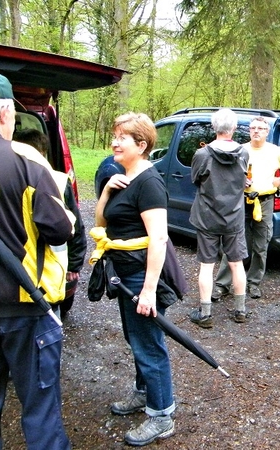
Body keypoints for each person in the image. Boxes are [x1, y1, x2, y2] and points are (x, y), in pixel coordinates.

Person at [0, 73, 73, 449]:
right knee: (39, 409)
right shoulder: (27, 163)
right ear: (5, 113)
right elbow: (58, 230)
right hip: (23, 304)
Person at [95, 112, 182, 446]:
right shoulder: (122, 175)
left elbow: (159, 238)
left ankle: (161, 415)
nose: (114, 142)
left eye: (122, 137)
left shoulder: (148, 181)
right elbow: (102, 222)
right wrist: (105, 193)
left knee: (148, 343)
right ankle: (144, 392)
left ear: (141, 145)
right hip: (124, 273)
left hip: (142, 276)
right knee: (136, 339)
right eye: (114, 135)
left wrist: (148, 291)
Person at [212, 116, 280, 301]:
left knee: (261, 245)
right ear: (249, 131)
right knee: (234, 244)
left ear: (267, 132)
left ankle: (253, 283)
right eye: (253, 128)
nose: (256, 131)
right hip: (241, 201)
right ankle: (222, 285)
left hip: (264, 202)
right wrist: (239, 179)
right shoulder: (240, 149)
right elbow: (225, 172)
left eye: (261, 128)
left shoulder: (274, 151)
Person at [13, 128, 87, 318]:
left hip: (25, 272)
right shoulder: (61, 180)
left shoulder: (7, 177)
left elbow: (76, 228)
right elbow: (77, 228)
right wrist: (74, 265)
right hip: (50, 276)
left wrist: (74, 264)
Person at [189, 108, 249, 327]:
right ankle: (240, 311)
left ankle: (205, 314)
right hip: (234, 217)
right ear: (234, 128)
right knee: (236, 264)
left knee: (207, 265)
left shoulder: (202, 154)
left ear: (213, 127)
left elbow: (195, 179)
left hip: (207, 218)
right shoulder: (243, 153)